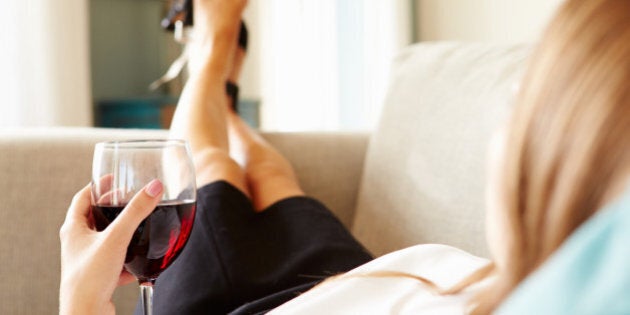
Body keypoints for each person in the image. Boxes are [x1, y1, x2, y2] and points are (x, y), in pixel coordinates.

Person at [59, 0, 630, 314]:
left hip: (226, 301)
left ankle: (214, 47)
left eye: (519, 111)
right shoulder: (515, 282)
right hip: (353, 273)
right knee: (271, 172)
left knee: (211, 163)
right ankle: (224, 90)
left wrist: (80, 309)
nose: (502, 134)